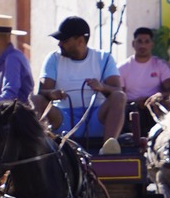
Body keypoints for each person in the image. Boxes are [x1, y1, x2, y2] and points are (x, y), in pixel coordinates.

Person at [34, 16, 126, 153]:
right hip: (63, 117)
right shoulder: (53, 58)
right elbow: (42, 92)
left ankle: (108, 147)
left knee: (119, 97)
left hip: (96, 116)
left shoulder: (103, 58)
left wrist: (102, 87)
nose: (59, 44)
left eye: (64, 40)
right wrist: (52, 93)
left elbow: (117, 90)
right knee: (34, 100)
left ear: (80, 41)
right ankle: (38, 146)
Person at [119, 27, 170, 127]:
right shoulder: (122, 68)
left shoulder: (160, 65)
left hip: (155, 105)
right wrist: (135, 103)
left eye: (147, 41)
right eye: (139, 41)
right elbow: (119, 94)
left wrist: (159, 95)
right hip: (131, 109)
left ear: (152, 44)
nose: (143, 45)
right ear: (133, 44)